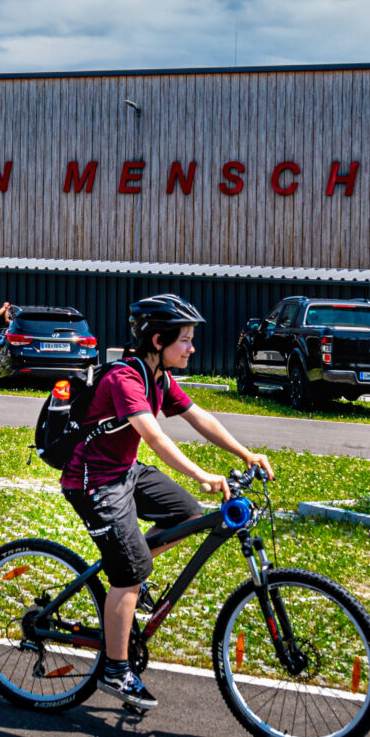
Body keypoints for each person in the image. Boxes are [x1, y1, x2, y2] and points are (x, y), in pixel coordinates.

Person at [61, 293, 272, 713]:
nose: (192, 348)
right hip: (93, 482)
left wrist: (245, 454)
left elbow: (200, 417)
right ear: (158, 341)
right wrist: (202, 474)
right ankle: (115, 669)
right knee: (130, 572)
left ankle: (128, 566)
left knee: (188, 514)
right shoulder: (125, 379)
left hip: (125, 471)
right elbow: (155, 438)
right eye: (185, 339)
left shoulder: (158, 377)